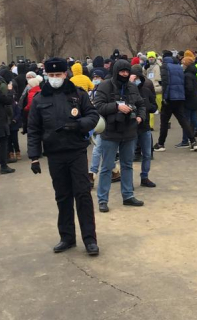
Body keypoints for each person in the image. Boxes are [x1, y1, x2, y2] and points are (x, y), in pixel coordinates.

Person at [27, 57, 100, 256]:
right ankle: (67, 237)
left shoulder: (78, 94)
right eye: (50, 75)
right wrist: (34, 156)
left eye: (57, 75)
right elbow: (33, 129)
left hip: (76, 151)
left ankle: (90, 239)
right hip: (55, 154)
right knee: (63, 197)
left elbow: (93, 116)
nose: (54, 78)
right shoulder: (40, 99)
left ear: (65, 74)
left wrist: (79, 125)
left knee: (83, 195)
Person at [93, 59, 148, 213]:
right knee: (107, 167)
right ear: (116, 72)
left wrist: (140, 117)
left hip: (129, 132)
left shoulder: (132, 86)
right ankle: (102, 200)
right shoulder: (105, 85)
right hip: (110, 133)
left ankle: (128, 195)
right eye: (122, 71)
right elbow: (98, 106)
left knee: (127, 165)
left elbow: (141, 104)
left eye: (127, 71)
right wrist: (117, 107)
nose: (124, 74)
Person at [154, 52, 197, 152]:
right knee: (183, 121)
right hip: (179, 98)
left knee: (164, 122)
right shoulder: (179, 67)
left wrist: (165, 98)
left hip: (170, 98)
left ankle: (161, 144)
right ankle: (193, 142)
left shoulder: (165, 67)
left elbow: (165, 83)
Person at [131, 64, 158, 188]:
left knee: (147, 154)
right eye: (133, 77)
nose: (135, 80)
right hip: (131, 128)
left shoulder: (146, 90)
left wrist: (147, 107)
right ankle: (128, 180)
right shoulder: (127, 92)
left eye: (137, 78)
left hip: (145, 127)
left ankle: (145, 177)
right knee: (129, 156)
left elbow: (154, 106)